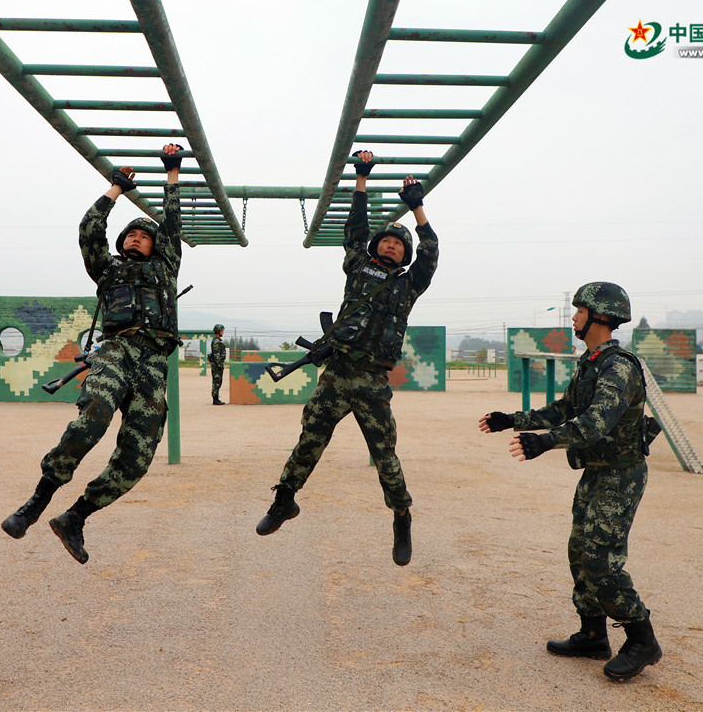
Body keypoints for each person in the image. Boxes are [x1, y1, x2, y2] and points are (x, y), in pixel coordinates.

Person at [1, 144, 185, 564]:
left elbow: (172, 226)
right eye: (131, 235)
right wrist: (115, 189)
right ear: (123, 243)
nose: (137, 238)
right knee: (95, 414)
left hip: (154, 363)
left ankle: (76, 517)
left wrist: (171, 171)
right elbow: (89, 230)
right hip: (117, 350)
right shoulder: (107, 268)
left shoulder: (166, 267)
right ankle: (37, 502)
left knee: (138, 456)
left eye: (145, 235)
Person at [254, 151, 438, 567]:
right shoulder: (358, 268)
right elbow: (354, 231)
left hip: (373, 381)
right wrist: (361, 178)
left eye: (398, 243)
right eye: (386, 240)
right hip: (338, 372)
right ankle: (284, 501)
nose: (391, 244)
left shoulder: (409, 285)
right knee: (309, 439)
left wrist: (417, 208)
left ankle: (402, 516)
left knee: (385, 454)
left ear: (404, 253)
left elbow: (431, 252)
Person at [478, 281, 663, 681]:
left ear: (599, 316)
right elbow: (566, 408)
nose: (574, 317)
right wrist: (513, 420)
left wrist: (544, 442)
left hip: (620, 474)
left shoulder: (618, 366)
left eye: (580, 311)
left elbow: (597, 421)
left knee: (602, 558)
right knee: (580, 551)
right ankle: (593, 634)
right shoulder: (592, 361)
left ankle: (642, 638)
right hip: (598, 472)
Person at [210, 323, 227, 405]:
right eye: (221, 331)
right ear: (218, 331)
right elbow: (216, 355)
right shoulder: (216, 342)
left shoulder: (217, 341)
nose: (222, 332)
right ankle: (215, 399)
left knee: (218, 382)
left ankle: (216, 398)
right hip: (217, 365)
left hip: (217, 365)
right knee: (217, 382)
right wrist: (219, 366)